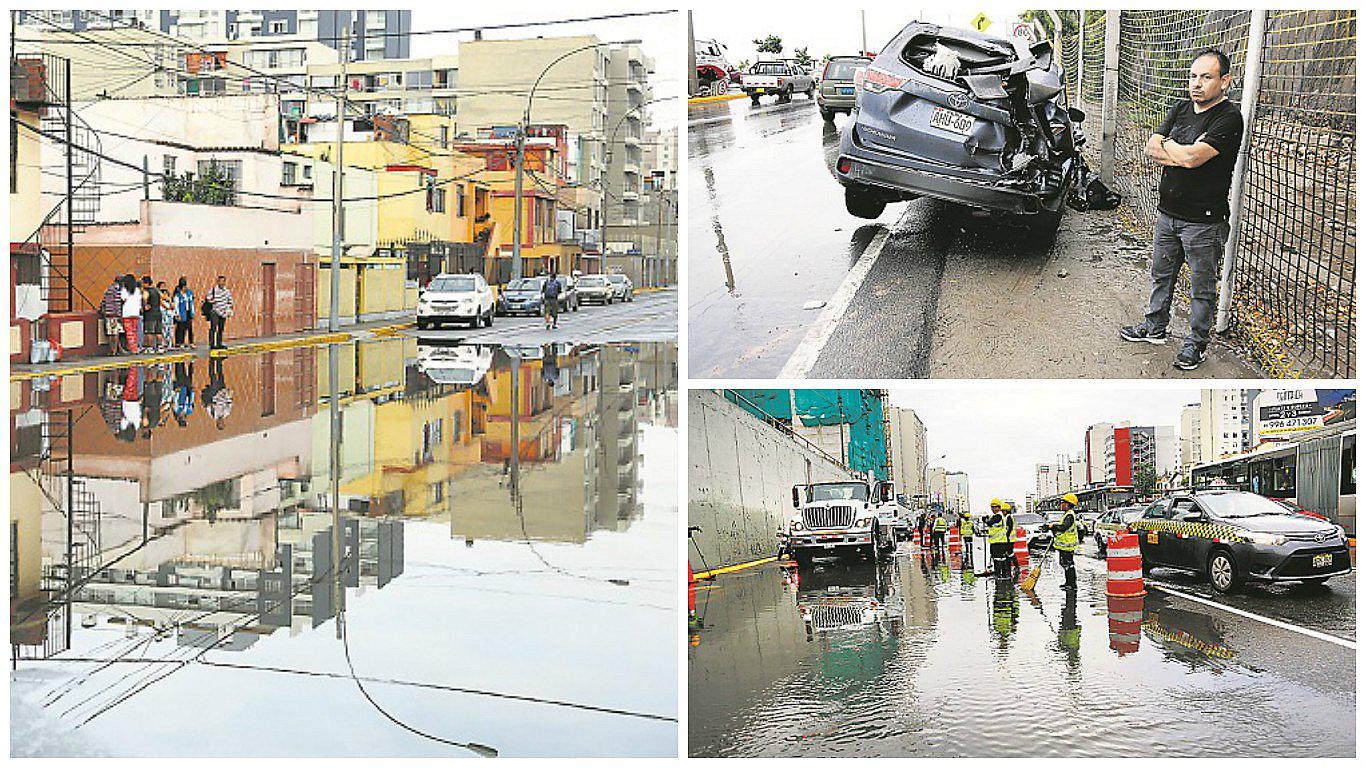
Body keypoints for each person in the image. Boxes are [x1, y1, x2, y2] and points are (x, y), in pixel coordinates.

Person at [1120, 48, 1245, 371]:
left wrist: (1173, 149)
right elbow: (1152, 147)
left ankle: (1196, 345)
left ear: (1224, 81)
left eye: (1206, 77)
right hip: (1167, 214)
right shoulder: (1179, 108)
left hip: (1204, 222)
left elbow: (1192, 159)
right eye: (1193, 76)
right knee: (1161, 276)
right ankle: (1155, 326)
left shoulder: (1228, 118)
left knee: (1201, 288)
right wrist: (1182, 151)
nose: (1197, 84)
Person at [1043, 492, 1081, 591]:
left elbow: (1064, 527)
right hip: (1064, 545)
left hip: (1068, 545)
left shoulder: (1070, 515)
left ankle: (1072, 584)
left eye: (1063, 503)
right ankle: (1068, 583)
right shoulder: (1066, 515)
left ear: (1069, 504)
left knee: (1068, 565)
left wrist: (1052, 526)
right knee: (1065, 564)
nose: (1062, 504)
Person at [985, 498, 1015, 580]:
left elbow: (990, 523)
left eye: (996, 507)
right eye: (992, 507)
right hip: (997, 541)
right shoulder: (998, 516)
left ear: (999, 508)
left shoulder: (998, 516)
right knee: (1000, 559)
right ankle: (1003, 575)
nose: (994, 509)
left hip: (999, 542)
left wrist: (985, 520)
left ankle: (1000, 575)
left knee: (999, 559)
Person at [205, 275, 234, 350]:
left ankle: (219, 343)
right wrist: (212, 301)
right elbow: (207, 298)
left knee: (221, 328)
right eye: (220, 281)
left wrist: (229, 309)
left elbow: (230, 301)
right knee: (213, 328)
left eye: (223, 281)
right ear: (218, 282)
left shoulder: (227, 291)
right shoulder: (213, 290)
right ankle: (212, 344)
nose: (222, 283)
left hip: (223, 312)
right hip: (215, 311)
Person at [100, 276, 124, 355]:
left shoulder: (108, 290)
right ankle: (114, 350)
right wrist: (119, 315)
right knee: (115, 333)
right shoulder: (117, 291)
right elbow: (117, 304)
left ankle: (114, 349)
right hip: (114, 314)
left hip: (108, 314)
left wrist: (103, 310)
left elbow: (103, 302)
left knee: (110, 332)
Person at [119, 274, 142, 355]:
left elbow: (122, 299)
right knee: (135, 331)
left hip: (127, 313)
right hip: (136, 313)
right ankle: (135, 347)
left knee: (129, 332)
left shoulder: (124, 290)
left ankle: (133, 348)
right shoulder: (137, 290)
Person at [141, 276, 163, 354]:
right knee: (158, 332)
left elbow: (144, 298)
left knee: (149, 332)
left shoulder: (147, 291)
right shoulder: (156, 290)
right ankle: (159, 347)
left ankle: (150, 348)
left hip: (150, 314)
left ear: (146, 283)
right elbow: (162, 298)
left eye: (143, 283)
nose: (142, 285)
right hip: (158, 313)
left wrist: (145, 305)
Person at [172, 277, 196, 349]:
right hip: (182, 312)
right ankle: (180, 342)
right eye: (184, 286)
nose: (186, 288)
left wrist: (193, 312)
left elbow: (191, 303)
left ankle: (191, 342)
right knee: (181, 328)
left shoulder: (189, 293)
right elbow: (176, 305)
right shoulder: (177, 295)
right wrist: (177, 314)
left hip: (188, 312)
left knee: (189, 328)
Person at [157, 280, 174, 352]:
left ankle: (169, 344)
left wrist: (169, 300)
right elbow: (163, 304)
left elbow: (173, 306)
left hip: (169, 316)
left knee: (169, 330)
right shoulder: (159, 297)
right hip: (163, 316)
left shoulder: (168, 298)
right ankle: (163, 344)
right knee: (164, 329)